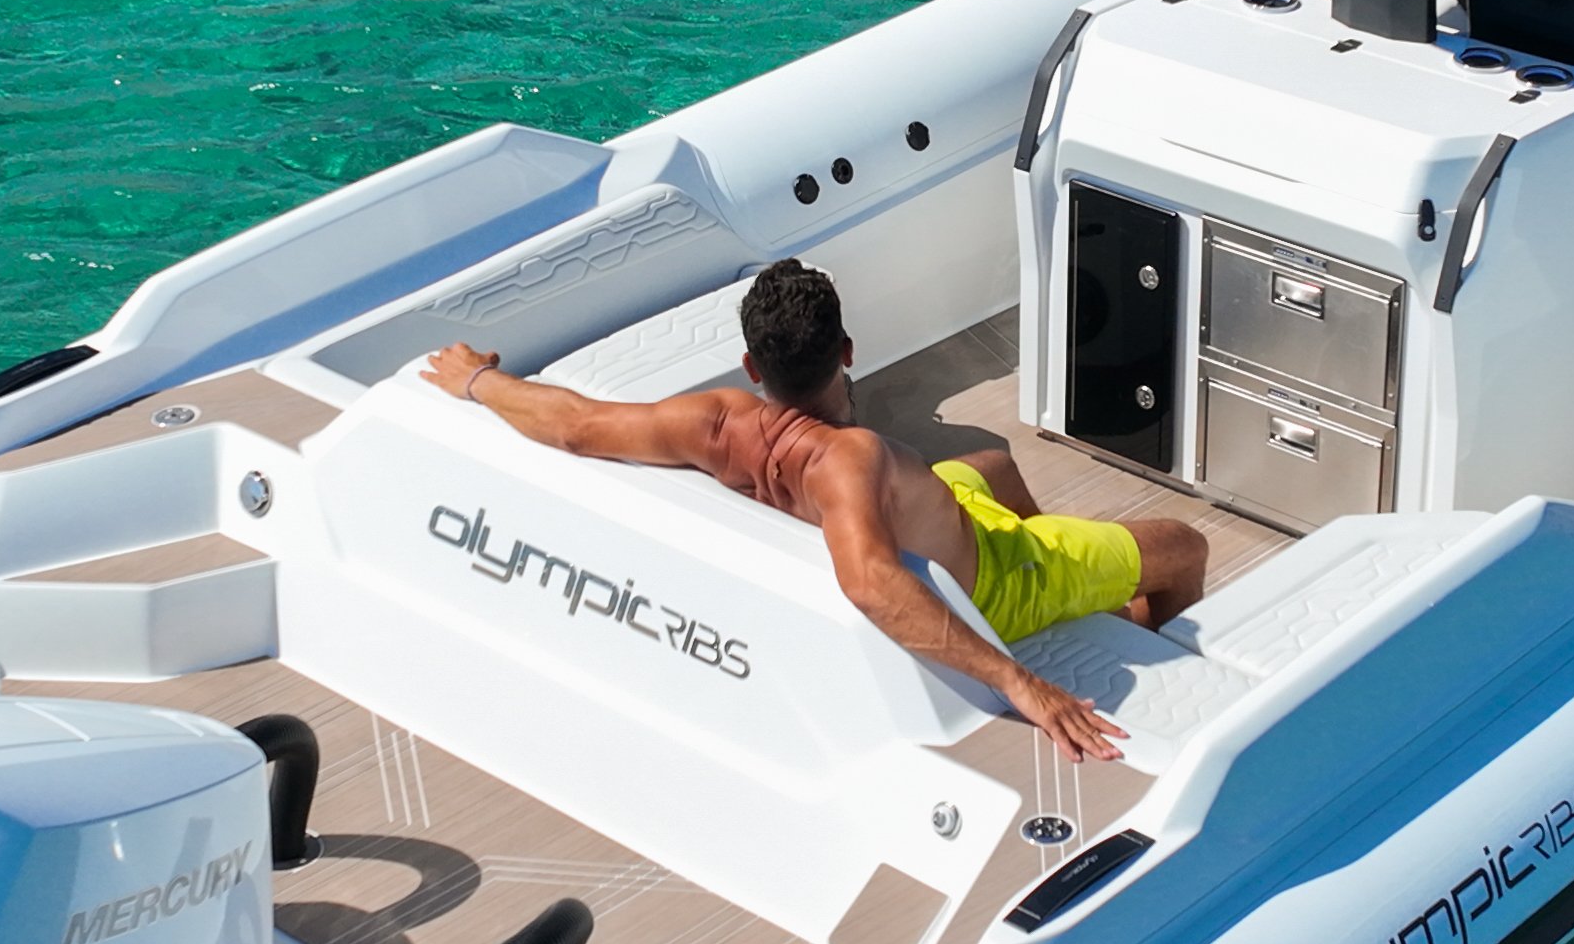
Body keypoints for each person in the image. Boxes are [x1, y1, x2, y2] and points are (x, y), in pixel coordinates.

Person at [423, 260, 1201, 761]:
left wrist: (478, 383)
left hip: (939, 513)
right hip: (1002, 582)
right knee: (1182, 548)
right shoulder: (850, 460)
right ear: (849, 350)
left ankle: (1043, 542)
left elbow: (578, 424)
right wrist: (1019, 680)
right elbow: (867, 579)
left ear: (754, 364)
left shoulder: (716, 421)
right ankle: (1109, 617)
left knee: (989, 464)